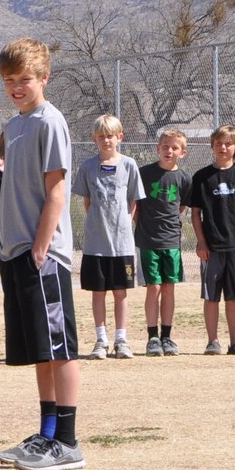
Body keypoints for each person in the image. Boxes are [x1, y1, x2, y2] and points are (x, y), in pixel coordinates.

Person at [0, 37, 85, 470]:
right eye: (10, 80)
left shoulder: (50, 122)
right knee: (40, 349)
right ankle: (46, 434)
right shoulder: (14, 127)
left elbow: (57, 191)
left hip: (42, 256)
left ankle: (67, 441)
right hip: (16, 253)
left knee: (60, 347)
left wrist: (41, 248)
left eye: (25, 79)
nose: (17, 87)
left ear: (44, 78)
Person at [186, 125, 235, 356]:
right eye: (218, 143)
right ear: (212, 146)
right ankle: (213, 341)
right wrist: (201, 242)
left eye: (228, 143)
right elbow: (195, 214)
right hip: (212, 247)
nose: (223, 147)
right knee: (211, 296)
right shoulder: (202, 177)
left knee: (234, 296)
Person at [79, 114, 142, 360]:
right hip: (95, 244)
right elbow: (87, 201)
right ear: (95, 139)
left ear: (120, 137)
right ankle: (101, 340)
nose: (106, 140)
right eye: (101, 136)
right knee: (98, 292)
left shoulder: (129, 165)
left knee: (120, 292)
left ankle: (121, 339)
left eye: (110, 136)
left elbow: (133, 202)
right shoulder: (87, 167)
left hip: (122, 245)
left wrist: (123, 225)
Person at [136, 129, 192, 356]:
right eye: (165, 146)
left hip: (171, 242)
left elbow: (181, 208)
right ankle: (152, 338)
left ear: (183, 152)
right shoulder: (144, 173)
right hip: (148, 240)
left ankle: (167, 337)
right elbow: (136, 207)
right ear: (157, 148)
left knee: (169, 288)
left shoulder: (184, 178)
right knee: (154, 287)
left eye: (174, 147)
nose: (169, 151)